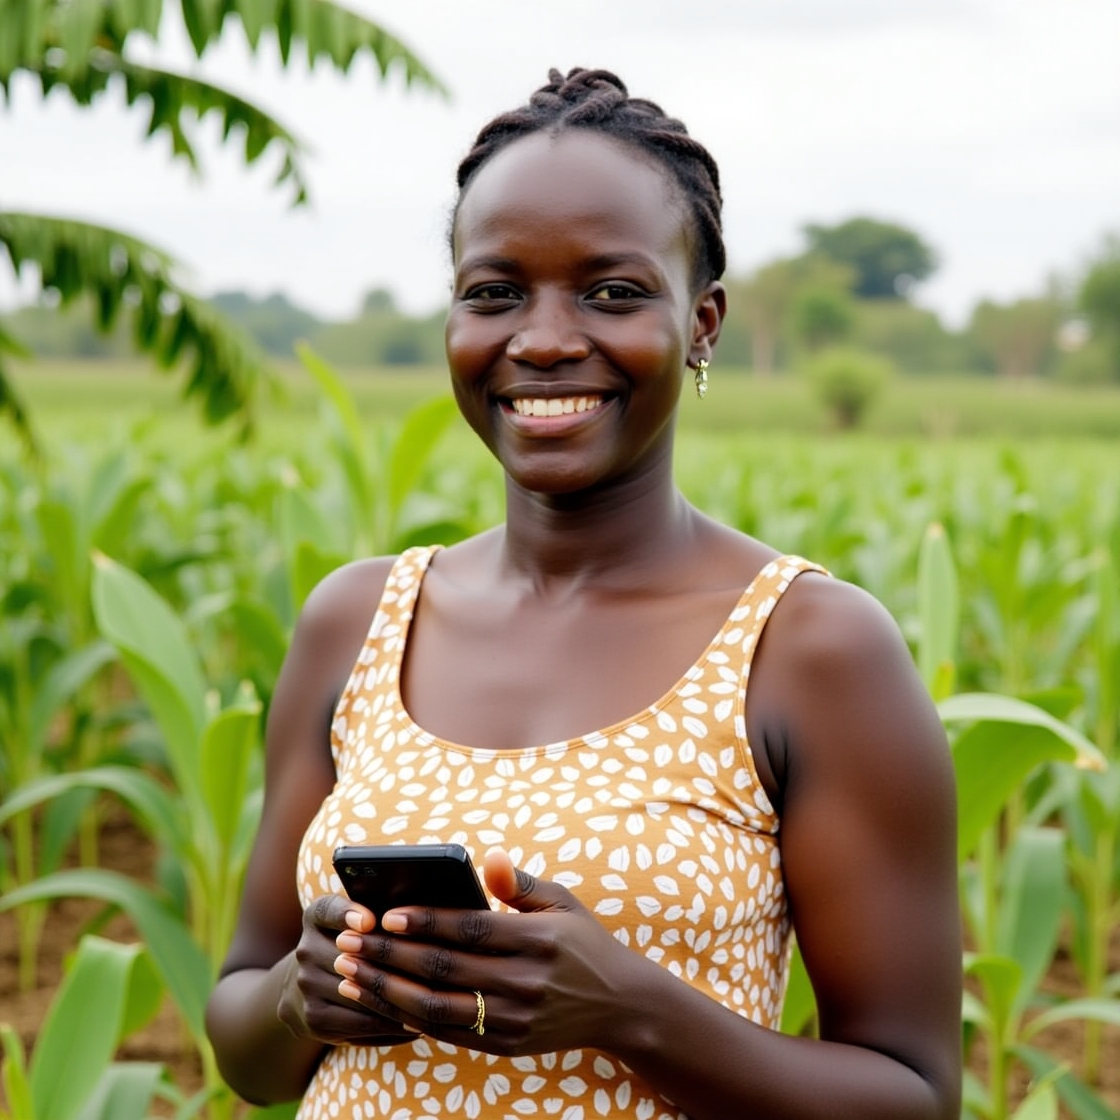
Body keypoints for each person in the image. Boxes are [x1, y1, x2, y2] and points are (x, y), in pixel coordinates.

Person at [206, 67, 962, 1120]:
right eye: (494, 291)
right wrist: (309, 991)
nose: (545, 337)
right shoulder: (358, 617)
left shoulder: (808, 647)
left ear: (701, 324)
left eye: (610, 291)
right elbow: (244, 1034)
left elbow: (912, 1095)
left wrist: (627, 1009)